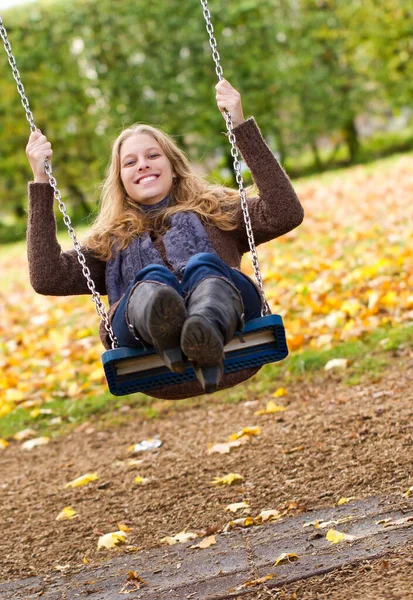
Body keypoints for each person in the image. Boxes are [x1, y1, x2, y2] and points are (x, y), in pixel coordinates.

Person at [26, 79, 304, 395]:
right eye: (130, 162)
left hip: (233, 325)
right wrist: (40, 182)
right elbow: (46, 276)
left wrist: (240, 127)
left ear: (173, 166)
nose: (142, 165)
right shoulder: (109, 242)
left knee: (205, 270)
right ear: (121, 180)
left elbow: (285, 213)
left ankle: (205, 330)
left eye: (153, 156)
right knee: (150, 282)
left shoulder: (215, 211)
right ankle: (165, 321)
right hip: (147, 351)